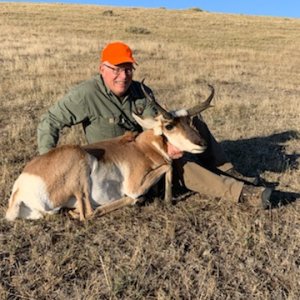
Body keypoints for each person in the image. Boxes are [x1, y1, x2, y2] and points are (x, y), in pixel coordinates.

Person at [37, 41, 272, 208]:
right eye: (116, 69)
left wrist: (172, 140)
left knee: (195, 123)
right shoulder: (85, 94)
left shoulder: (141, 91)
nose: (123, 75)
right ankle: (242, 193)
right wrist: (49, 165)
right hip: (119, 162)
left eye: (128, 69)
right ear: (102, 69)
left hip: (148, 149)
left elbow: (160, 124)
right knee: (181, 165)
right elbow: (50, 122)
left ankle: (229, 170)